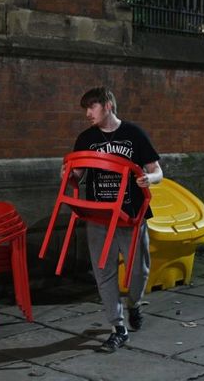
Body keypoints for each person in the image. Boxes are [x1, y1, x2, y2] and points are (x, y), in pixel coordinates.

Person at [64, 86, 163, 352]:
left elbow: (157, 171)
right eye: (86, 108)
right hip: (99, 216)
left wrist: (148, 179)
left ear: (107, 105)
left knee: (138, 271)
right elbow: (79, 174)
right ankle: (117, 327)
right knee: (104, 273)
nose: (87, 113)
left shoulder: (134, 134)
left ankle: (134, 304)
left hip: (131, 215)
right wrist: (68, 174)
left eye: (92, 107)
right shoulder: (85, 138)